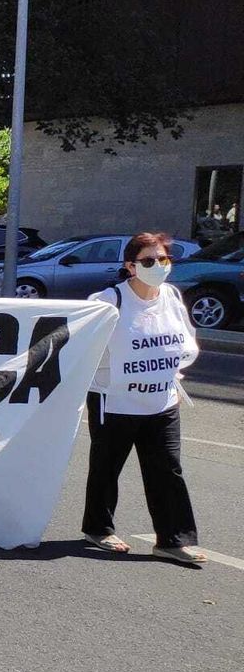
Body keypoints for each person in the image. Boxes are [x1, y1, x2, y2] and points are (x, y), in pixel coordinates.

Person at [81, 233, 207, 565]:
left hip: (161, 403)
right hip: (115, 402)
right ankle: (98, 528)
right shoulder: (109, 300)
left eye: (163, 259)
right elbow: (82, 343)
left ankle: (173, 540)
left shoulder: (171, 296)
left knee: (167, 469)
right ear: (130, 266)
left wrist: (171, 372)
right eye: (149, 261)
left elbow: (186, 341)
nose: (158, 266)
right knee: (107, 468)